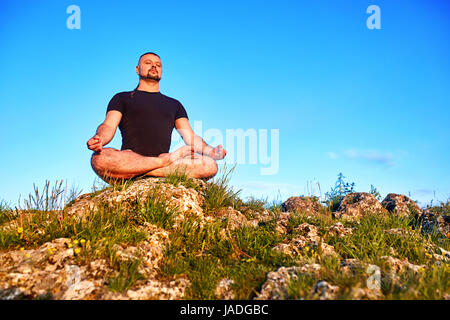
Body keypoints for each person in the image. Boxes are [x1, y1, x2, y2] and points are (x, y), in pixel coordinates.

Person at [86, 52, 226, 184]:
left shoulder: (174, 104)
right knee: (99, 159)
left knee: (209, 165)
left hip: (137, 165)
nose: (154, 66)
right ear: (137, 69)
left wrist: (211, 151)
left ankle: (139, 172)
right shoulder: (122, 98)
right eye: (148, 63)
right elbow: (108, 126)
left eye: (158, 65)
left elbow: (190, 136)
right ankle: (161, 164)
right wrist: (100, 138)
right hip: (130, 158)